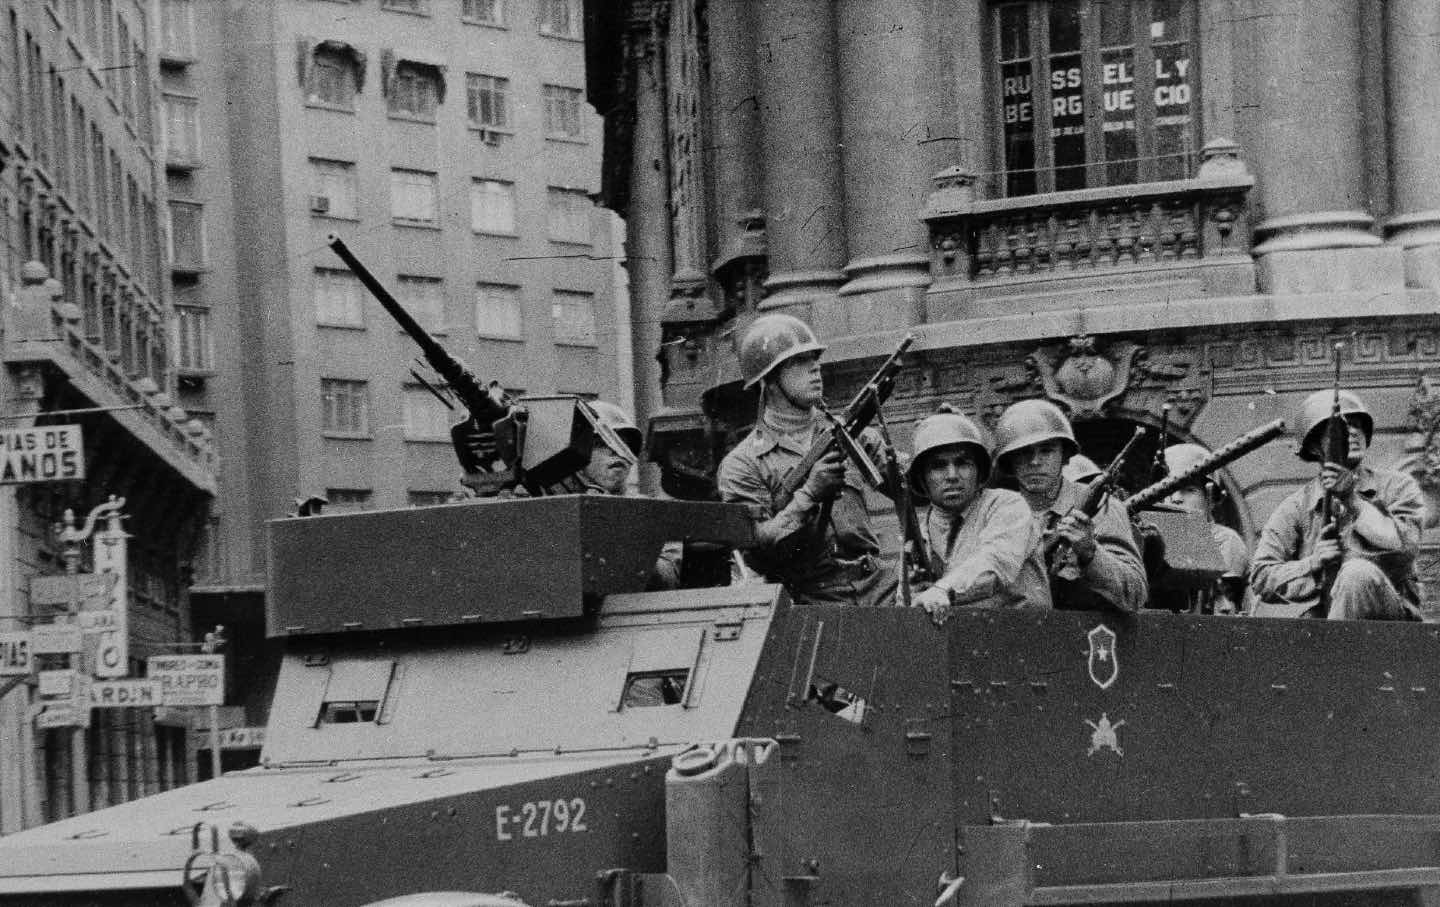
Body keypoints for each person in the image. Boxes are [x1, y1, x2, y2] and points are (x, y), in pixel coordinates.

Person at [717, 313, 895, 607]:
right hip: (809, 596)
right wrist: (810, 494)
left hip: (876, 586)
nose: (815, 368)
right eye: (798, 361)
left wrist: (936, 445)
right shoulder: (743, 463)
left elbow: (912, 492)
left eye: (814, 358)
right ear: (769, 379)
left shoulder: (852, 434)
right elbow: (757, 544)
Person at [1250, 389, 1423, 620]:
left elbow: (1405, 548)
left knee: (1357, 573)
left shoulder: (1397, 487)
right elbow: (1261, 576)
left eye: (1358, 425)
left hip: (1390, 626)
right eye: (1339, 428)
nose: (1352, 432)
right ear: (1313, 446)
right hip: (1325, 623)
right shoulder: (1297, 507)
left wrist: (1352, 500)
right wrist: (1312, 563)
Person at [992, 399, 1148, 613]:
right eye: (1024, 452)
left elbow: (1135, 594)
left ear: (1064, 456)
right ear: (1009, 461)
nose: (1035, 461)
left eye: (1046, 451)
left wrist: (1090, 553)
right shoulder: (996, 515)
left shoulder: (1103, 507)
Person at [906, 407, 1049, 625]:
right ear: (922, 478)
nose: (952, 476)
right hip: (959, 643)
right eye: (938, 466)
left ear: (979, 471)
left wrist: (942, 590)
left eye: (963, 463)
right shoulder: (919, 533)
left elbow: (993, 564)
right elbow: (904, 604)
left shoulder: (1007, 506)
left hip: (1024, 636)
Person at [1161, 442, 1250, 614]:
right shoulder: (1153, 538)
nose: (1176, 499)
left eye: (1189, 490)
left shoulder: (1225, 540)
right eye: (1169, 490)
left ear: (1209, 496)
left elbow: (1219, 600)